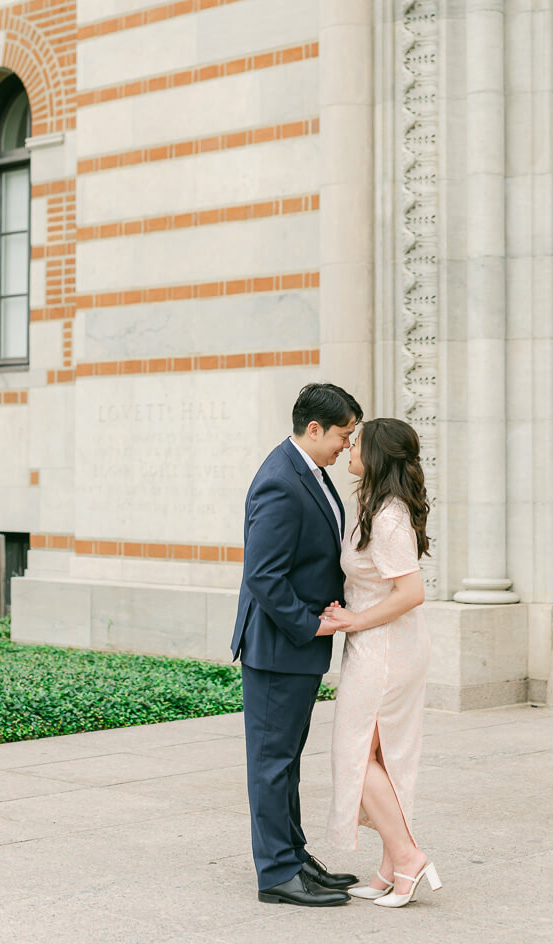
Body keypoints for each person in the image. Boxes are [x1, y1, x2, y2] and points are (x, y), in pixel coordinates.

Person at [231, 382, 363, 907]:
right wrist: (309, 626)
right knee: (271, 762)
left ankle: (294, 856)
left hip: (297, 650)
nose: (346, 448)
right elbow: (263, 575)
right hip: (278, 648)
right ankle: (276, 875)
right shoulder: (280, 481)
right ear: (315, 429)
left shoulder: (312, 473)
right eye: (343, 436)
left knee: (286, 760)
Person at [323, 418, 441, 908]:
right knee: (378, 757)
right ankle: (390, 868)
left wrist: (354, 620)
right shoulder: (372, 505)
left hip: (386, 651)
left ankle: (409, 858)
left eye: (358, 441)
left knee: (356, 754)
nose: (349, 446)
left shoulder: (388, 516)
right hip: (380, 646)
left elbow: (411, 592)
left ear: (376, 455)